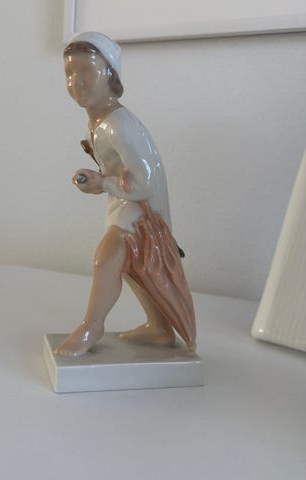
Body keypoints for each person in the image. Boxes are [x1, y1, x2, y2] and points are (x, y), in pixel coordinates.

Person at [54, 32, 196, 357]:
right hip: (122, 205)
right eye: (70, 73)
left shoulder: (119, 125)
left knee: (106, 259)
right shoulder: (98, 121)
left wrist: (102, 183)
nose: (77, 82)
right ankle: (160, 329)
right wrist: (99, 182)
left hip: (141, 215)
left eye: (87, 72)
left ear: (110, 76)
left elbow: (145, 182)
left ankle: (91, 326)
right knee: (132, 268)